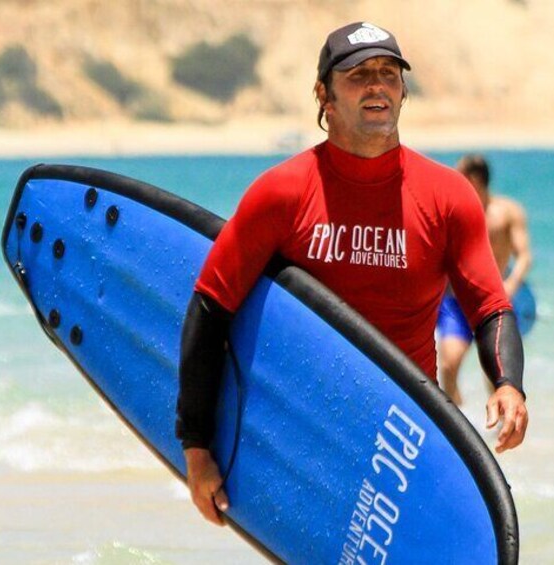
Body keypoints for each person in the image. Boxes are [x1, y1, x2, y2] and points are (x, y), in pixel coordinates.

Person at [175, 22, 529, 527]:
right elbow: (212, 307)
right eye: (359, 75)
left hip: (402, 439)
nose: (377, 86)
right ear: (324, 94)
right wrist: (197, 449)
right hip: (301, 434)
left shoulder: (448, 198)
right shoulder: (281, 193)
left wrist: (508, 385)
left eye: (389, 74)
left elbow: (490, 308)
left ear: (403, 90)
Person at [437, 154, 532, 405]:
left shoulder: (507, 212)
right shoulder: (453, 209)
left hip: (491, 302)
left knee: (496, 377)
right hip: (456, 301)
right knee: (448, 365)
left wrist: (511, 285)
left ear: (475, 179)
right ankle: (457, 422)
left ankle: (499, 431)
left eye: (460, 174)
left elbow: (524, 256)